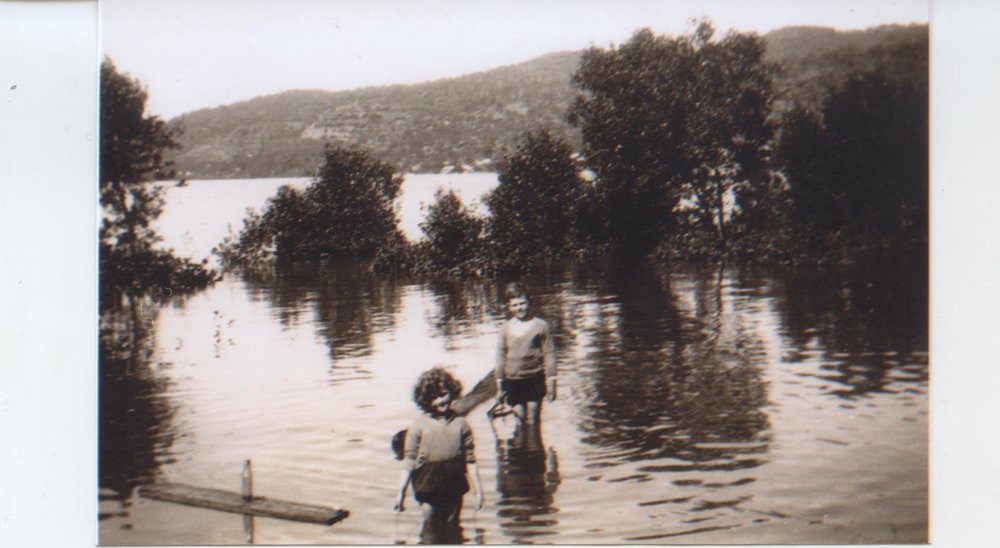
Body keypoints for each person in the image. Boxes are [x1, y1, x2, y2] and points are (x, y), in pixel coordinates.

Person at [394, 367, 485, 529]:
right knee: (430, 527)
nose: (440, 400)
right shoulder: (418, 427)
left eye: (443, 394)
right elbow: (408, 464)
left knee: (453, 526)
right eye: (434, 397)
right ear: (425, 400)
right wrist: (401, 493)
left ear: (452, 392)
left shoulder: (461, 424)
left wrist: (478, 491)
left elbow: (470, 461)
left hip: (454, 484)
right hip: (428, 486)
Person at [495, 282, 556, 425]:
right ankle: (522, 446)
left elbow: (549, 354)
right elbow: (500, 357)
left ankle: (535, 446)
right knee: (519, 420)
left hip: (534, 379)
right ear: (509, 307)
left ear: (529, 302)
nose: (519, 308)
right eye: (515, 305)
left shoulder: (540, 326)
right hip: (513, 381)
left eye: (522, 303)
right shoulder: (504, 329)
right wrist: (499, 385)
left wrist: (552, 381)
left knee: (533, 420)